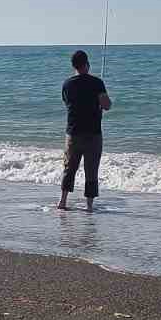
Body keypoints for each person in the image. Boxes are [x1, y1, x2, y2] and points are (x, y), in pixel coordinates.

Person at [57, 49, 112, 212]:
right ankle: (89, 206)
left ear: (73, 66)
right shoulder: (97, 82)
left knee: (69, 168)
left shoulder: (67, 84)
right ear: (87, 64)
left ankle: (63, 201)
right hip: (93, 134)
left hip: (73, 133)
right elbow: (107, 105)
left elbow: (67, 103)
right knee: (91, 169)